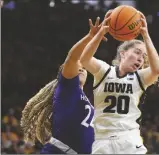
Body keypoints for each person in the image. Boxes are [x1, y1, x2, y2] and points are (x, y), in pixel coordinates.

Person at [20, 17, 106, 154]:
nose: (83, 68)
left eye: (85, 67)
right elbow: (72, 57)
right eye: (79, 65)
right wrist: (90, 37)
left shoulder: (84, 99)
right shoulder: (68, 87)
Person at [80, 10, 159, 154]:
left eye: (143, 56)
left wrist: (146, 35)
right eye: (137, 52)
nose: (140, 59)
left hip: (128, 138)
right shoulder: (104, 71)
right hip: (102, 140)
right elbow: (84, 59)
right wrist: (100, 33)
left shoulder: (140, 78)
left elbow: (156, 71)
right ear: (123, 53)